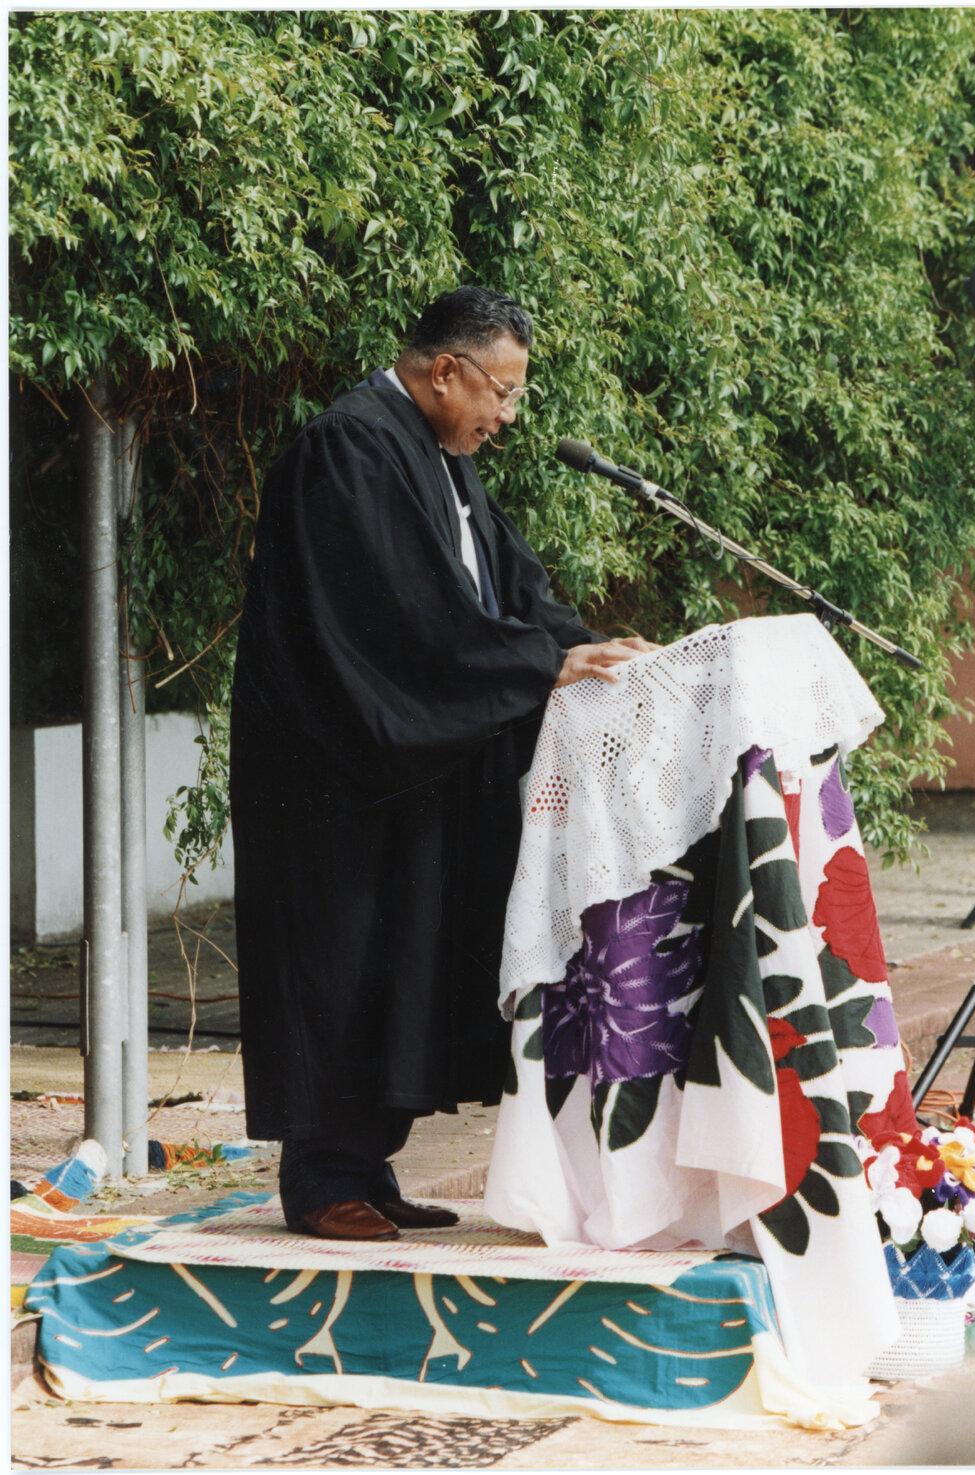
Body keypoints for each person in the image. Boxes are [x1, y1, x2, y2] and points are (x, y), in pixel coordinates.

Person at [230, 286, 651, 1241]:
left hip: (405, 777)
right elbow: (403, 620)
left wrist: (589, 650)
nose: (509, 416)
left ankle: (367, 1165)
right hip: (335, 778)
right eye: (502, 392)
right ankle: (320, 1178)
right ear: (446, 371)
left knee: (399, 967)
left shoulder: (438, 455)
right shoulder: (349, 446)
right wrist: (542, 664)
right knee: (341, 963)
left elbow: (508, 590)